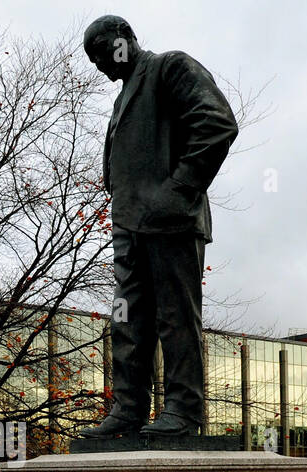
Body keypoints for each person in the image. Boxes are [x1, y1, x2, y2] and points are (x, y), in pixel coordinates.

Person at [76, 15, 238, 438]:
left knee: (175, 316)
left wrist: (177, 190)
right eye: (93, 58)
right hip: (129, 231)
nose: (100, 64)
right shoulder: (120, 100)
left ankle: (183, 411)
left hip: (170, 222)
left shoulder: (169, 68)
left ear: (126, 38)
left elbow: (217, 122)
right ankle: (128, 409)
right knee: (126, 320)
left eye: (103, 50)